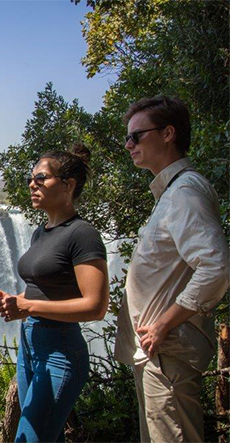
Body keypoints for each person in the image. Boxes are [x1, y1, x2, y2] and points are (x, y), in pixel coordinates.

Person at [114, 95, 229, 442]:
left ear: (168, 133)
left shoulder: (184, 192)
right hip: (159, 352)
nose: (128, 143)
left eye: (137, 135)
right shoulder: (173, 192)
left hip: (166, 351)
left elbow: (216, 266)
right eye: (128, 137)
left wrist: (163, 324)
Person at [0, 144, 109, 442]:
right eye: (32, 178)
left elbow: (95, 306)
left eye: (41, 178)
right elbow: (44, 289)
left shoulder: (82, 234)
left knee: (31, 437)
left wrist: (28, 306)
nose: (32, 184)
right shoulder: (42, 232)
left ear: (68, 185)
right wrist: (10, 299)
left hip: (60, 351)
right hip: (30, 347)